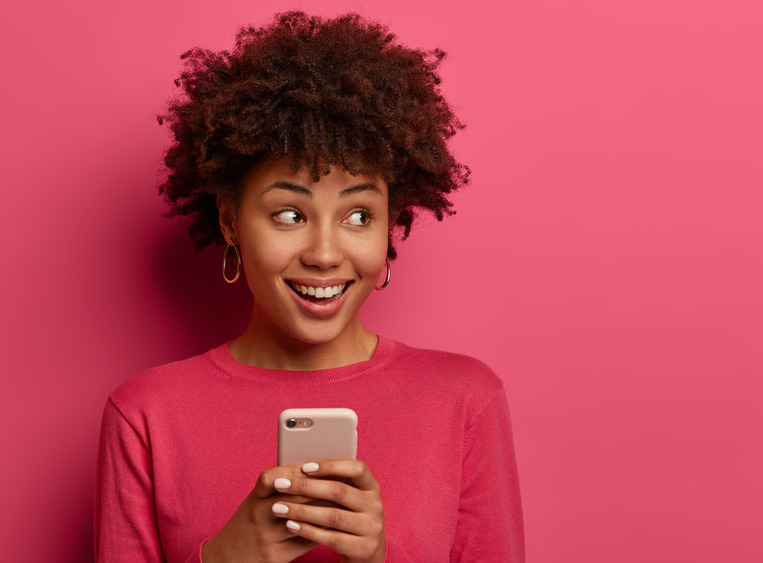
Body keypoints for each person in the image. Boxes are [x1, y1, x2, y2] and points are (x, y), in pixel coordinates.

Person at [95, 11, 524, 563]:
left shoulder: (466, 400)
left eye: (359, 216)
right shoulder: (145, 414)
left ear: (390, 222)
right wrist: (224, 559)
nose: (325, 255)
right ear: (230, 220)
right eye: (290, 213)